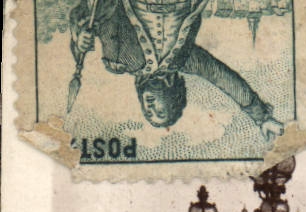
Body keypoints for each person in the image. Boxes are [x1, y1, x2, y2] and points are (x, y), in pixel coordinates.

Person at [69, 0, 284, 138]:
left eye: (148, 113)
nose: (150, 108)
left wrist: (80, 39)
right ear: (174, 98)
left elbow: (95, 14)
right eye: (159, 112)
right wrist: (262, 117)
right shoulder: (183, 59)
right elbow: (222, 77)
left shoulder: (119, 61)